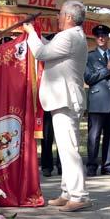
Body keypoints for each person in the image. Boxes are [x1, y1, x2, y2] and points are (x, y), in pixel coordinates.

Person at [23, 0, 91, 212]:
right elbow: (48, 48)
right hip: (64, 98)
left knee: (69, 149)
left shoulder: (68, 36)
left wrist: (30, 32)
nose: (58, 18)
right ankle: (67, 192)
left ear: (69, 17)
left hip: (65, 99)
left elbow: (41, 53)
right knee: (64, 148)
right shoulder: (74, 36)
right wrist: (37, 34)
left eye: (61, 14)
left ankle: (79, 195)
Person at [84, 24, 110, 176]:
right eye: (98, 36)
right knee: (94, 136)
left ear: (108, 38)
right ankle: (91, 167)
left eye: (104, 35)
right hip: (97, 102)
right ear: (95, 38)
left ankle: (107, 166)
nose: (101, 38)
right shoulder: (89, 56)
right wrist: (107, 68)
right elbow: (89, 78)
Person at [40, 33, 61, 177]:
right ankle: (47, 166)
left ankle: (61, 166)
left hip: (61, 100)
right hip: (47, 100)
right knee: (46, 136)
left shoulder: (63, 57)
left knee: (62, 137)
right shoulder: (42, 60)